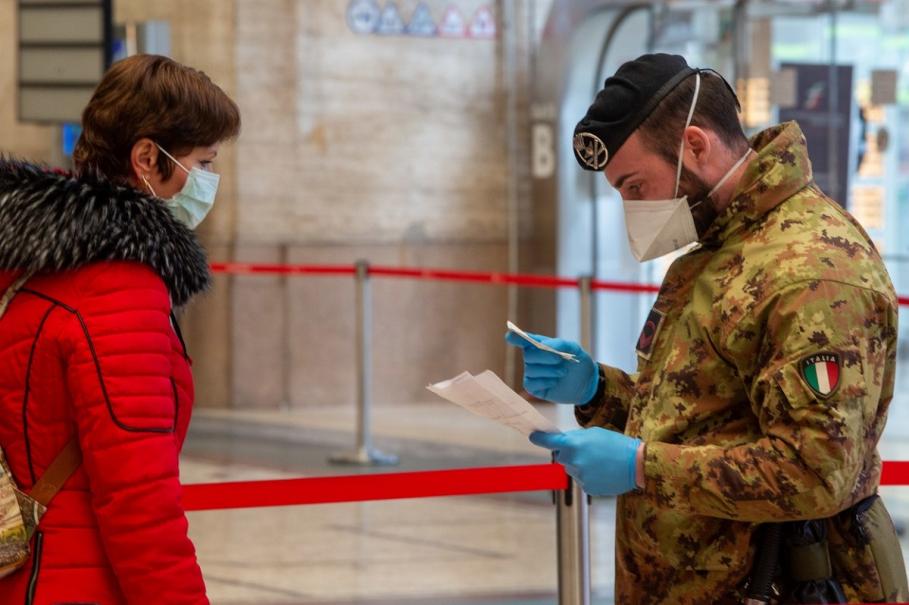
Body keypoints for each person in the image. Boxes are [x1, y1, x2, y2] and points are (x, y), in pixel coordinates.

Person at [507, 53, 907, 603]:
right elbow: (701, 418)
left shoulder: (813, 271)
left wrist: (642, 467)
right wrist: (598, 390)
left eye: (635, 186)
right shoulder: (717, 250)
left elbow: (814, 471)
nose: (632, 207)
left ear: (695, 144)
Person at [0, 54, 240, 604]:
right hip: (75, 580)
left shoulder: (34, 264)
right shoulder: (118, 294)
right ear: (146, 159)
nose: (209, 181)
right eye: (203, 162)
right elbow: (140, 500)